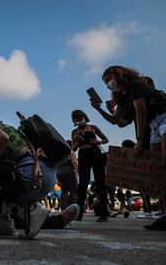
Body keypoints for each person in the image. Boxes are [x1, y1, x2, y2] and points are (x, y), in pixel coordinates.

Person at [101, 66, 166, 230]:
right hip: (154, 126)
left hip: (163, 117)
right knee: (157, 172)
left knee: (164, 166)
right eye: (106, 83)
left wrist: (139, 141)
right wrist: (98, 108)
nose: (109, 84)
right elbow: (117, 121)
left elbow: (141, 113)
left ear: (119, 74)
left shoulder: (134, 86)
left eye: (109, 79)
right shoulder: (124, 97)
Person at [71, 110, 109, 222]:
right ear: (73, 121)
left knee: (100, 183)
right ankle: (79, 213)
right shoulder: (74, 131)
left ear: (85, 117)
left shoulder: (93, 127)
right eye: (76, 119)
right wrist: (77, 142)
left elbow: (105, 139)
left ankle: (103, 214)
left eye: (81, 118)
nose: (79, 120)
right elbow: (73, 149)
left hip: (95, 153)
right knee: (82, 184)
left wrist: (97, 142)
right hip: (83, 155)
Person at [55, 140, 78, 212]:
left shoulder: (59, 154)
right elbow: (74, 162)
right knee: (73, 192)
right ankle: (73, 210)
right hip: (69, 172)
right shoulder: (70, 152)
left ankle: (63, 210)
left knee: (64, 192)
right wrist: (77, 170)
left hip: (59, 173)